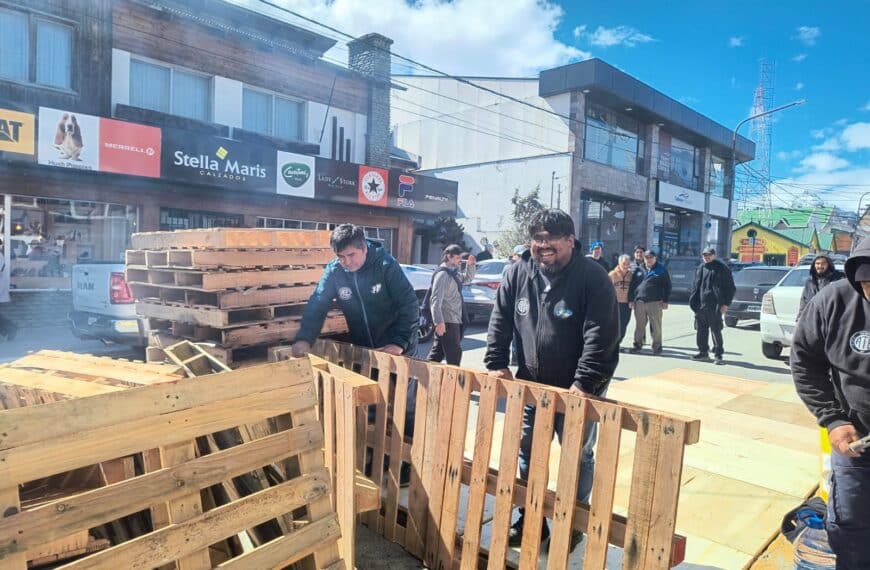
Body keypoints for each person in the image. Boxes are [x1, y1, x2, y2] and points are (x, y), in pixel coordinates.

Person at [484, 209, 619, 549]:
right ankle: (532, 517)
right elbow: (500, 319)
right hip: (533, 384)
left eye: (550, 242)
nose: (542, 248)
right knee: (529, 451)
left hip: (580, 387)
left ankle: (573, 521)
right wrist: (496, 362)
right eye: (537, 241)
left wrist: (585, 383)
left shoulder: (592, 276)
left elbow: (601, 334)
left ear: (570, 241)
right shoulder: (518, 273)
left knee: (578, 455)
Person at [790, 240, 870, 568]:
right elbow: (804, 360)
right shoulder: (833, 301)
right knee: (850, 524)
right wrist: (832, 419)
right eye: (868, 286)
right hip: (856, 439)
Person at [292, 224, 418, 357]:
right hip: (364, 349)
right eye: (341, 256)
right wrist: (304, 338)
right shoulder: (335, 271)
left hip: (396, 347)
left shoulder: (386, 266)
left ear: (364, 248)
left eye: (351, 255)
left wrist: (399, 342)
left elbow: (409, 304)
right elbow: (318, 303)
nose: (347, 262)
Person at [427, 244, 476, 365]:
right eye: (458, 257)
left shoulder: (453, 273)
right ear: (449, 256)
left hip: (453, 318)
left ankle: (424, 379)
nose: (460, 260)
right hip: (447, 320)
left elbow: (467, 280)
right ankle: (454, 382)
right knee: (454, 355)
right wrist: (439, 322)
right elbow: (435, 299)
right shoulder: (443, 274)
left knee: (437, 354)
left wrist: (471, 265)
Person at [688, 247, 736, 365]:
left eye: (709, 255)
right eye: (704, 255)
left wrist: (726, 304)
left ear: (714, 255)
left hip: (715, 305)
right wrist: (694, 302)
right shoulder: (701, 268)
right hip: (701, 305)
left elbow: (730, 288)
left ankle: (718, 355)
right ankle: (703, 352)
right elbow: (696, 286)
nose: (706, 257)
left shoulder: (722, 268)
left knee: (716, 330)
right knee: (701, 330)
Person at [629, 250, 671, 355]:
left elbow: (667, 286)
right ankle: (637, 345)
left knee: (656, 325)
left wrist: (665, 300)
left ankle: (657, 347)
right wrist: (631, 300)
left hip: (655, 302)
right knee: (639, 325)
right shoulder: (639, 269)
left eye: (651, 257)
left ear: (655, 258)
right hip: (640, 302)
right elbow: (632, 286)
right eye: (647, 257)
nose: (649, 259)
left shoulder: (661, 270)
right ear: (644, 258)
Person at [797, 254, 844, 319]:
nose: (820, 266)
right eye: (817, 263)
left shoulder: (838, 279)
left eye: (823, 263)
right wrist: (800, 318)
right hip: (813, 318)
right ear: (814, 265)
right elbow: (804, 301)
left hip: (832, 318)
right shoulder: (810, 281)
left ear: (829, 264)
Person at [609, 254, 641, 347]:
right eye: (624, 263)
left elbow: (635, 289)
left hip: (627, 304)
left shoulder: (631, 275)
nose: (626, 266)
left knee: (624, 324)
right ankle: (612, 343)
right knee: (614, 325)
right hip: (615, 304)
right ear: (619, 263)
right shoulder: (612, 274)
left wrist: (633, 300)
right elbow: (605, 289)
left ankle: (618, 342)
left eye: (628, 264)